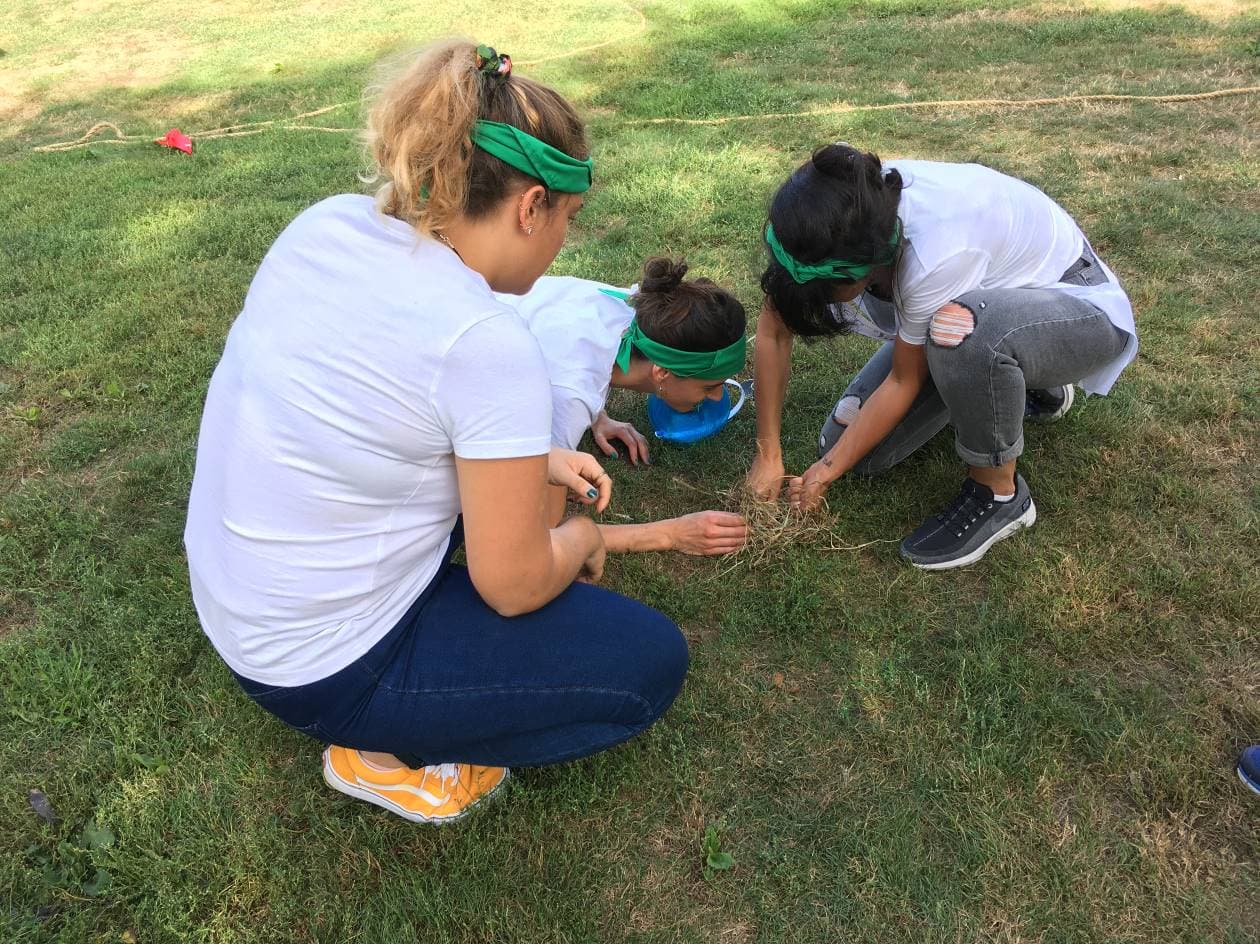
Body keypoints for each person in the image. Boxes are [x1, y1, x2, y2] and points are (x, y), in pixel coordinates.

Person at [183, 41, 689, 825]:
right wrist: (583, 538)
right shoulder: (486, 342)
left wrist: (535, 457)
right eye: (569, 218)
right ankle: (379, 757)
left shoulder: (327, 224)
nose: (565, 237)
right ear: (530, 207)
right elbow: (514, 586)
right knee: (645, 664)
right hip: (321, 665)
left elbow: (377, 402)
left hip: (237, 600)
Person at [747, 144, 1138, 569]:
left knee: (959, 331)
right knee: (850, 447)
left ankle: (999, 494)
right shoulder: (831, 216)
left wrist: (824, 472)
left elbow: (903, 380)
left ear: (866, 268)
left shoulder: (935, 255)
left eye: (822, 292)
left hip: (1078, 309)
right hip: (1001, 294)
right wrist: (768, 453)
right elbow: (773, 330)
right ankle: (1025, 383)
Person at [500, 257, 749, 556]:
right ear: (662, 373)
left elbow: (567, 346)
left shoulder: (631, 309)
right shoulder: (567, 398)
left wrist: (597, 416)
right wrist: (670, 534)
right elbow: (543, 536)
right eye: (709, 386)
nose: (716, 397)